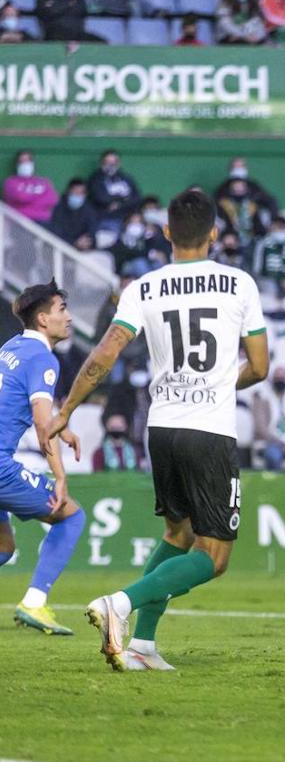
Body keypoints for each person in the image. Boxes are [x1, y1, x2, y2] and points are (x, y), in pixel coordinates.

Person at [51, 188, 270, 671]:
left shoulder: (143, 287)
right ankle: (120, 605)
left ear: (167, 232)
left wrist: (67, 408)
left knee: (179, 532)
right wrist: (220, 382)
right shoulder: (239, 284)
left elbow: (105, 354)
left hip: (161, 428)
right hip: (208, 430)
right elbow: (259, 366)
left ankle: (142, 646)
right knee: (214, 556)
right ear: (215, 233)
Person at [0, 281, 86, 636]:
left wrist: (60, 426)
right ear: (42, 318)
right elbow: (39, 423)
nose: (68, 317)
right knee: (71, 516)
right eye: (62, 309)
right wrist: (60, 475)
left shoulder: (11, 347)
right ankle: (35, 602)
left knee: (4, 546)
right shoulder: (43, 359)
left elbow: (19, 401)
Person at [87, 149, 141, 236]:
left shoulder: (127, 179)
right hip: (105, 218)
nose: (111, 165)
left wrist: (119, 204)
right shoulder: (95, 179)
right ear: (101, 163)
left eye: (114, 162)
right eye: (107, 162)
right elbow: (101, 198)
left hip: (127, 218)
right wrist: (124, 198)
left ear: (119, 163)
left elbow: (137, 198)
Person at [212, 157, 279, 226]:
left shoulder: (254, 187)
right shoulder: (222, 189)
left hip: (253, 224)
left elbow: (269, 201)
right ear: (230, 169)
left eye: (241, 166)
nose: (238, 169)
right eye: (236, 166)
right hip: (230, 226)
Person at [4, 150, 58, 224]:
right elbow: (20, 198)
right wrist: (39, 196)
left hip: (42, 221)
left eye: (27, 161)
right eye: (21, 161)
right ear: (17, 164)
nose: (25, 164)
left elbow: (52, 199)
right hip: (18, 221)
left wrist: (29, 199)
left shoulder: (43, 182)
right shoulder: (11, 182)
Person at [48, 178, 98, 251]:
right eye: (75, 192)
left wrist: (86, 241)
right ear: (68, 192)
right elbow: (55, 233)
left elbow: (92, 231)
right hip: (60, 249)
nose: (78, 195)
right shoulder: (58, 207)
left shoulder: (88, 209)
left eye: (81, 193)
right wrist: (74, 243)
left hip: (83, 249)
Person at [35, 0, 102, 41]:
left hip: (78, 34)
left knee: (100, 42)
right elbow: (51, 11)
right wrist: (68, 4)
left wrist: (65, 4)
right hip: (55, 34)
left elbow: (82, 10)